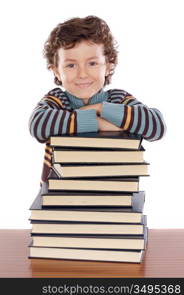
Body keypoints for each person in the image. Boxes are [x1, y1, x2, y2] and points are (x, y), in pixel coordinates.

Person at [29, 15, 166, 185]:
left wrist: (101, 107)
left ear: (109, 65)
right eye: (71, 65)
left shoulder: (119, 99)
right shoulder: (57, 100)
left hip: (112, 193)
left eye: (92, 63)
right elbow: (38, 125)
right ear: (56, 71)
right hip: (61, 197)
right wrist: (99, 123)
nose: (82, 74)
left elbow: (156, 126)